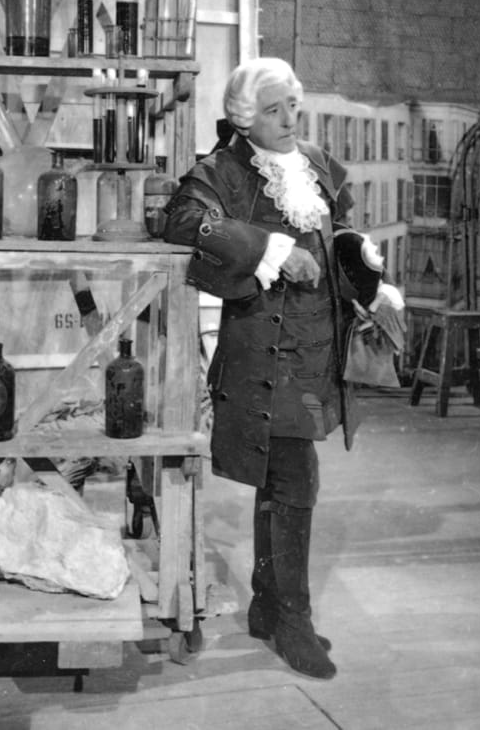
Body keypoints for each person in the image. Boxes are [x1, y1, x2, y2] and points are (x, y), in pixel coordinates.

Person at [163, 56, 354, 680]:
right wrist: (271, 247)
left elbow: (342, 232)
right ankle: (290, 618)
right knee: (295, 481)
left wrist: (368, 270)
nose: (288, 120)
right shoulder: (225, 170)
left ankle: (269, 606)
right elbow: (187, 219)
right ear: (245, 119)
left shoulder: (318, 167)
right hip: (264, 357)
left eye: (292, 106)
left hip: (318, 350)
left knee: (282, 479)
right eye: (272, 111)